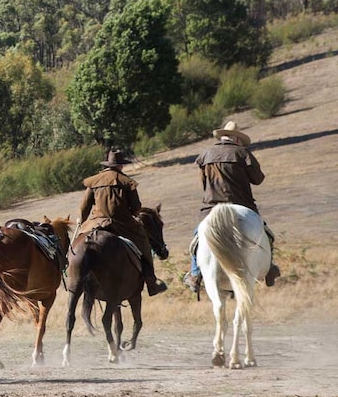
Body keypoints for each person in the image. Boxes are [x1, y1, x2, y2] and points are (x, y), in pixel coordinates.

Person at [183, 120, 280, 294]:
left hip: (211, 208)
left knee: (198, 237)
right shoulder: (243, 153)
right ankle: (270, 269)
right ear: (237, 139)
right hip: (242, 205)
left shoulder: (205, 155)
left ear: (222, 137)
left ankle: (195, 274)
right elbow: (258, 179)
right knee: (267, 235)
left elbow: (203, 183)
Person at [77, 148, 168, 296]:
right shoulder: (127, 182)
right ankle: (151, 282)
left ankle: (69, 273)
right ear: (120, 166)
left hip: (96, 222)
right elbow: (136, 208)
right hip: (121, 223)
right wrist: (132, 214)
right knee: (144, 241)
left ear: (107, 165)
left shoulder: (93, 181)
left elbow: (84, 207)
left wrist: (82, 221)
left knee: (76, 244)